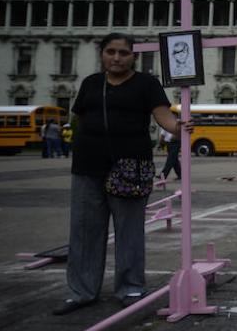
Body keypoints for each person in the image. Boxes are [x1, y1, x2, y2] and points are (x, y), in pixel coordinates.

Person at [53, 33, 189, 315]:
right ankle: (82, 291)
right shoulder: (91, 83)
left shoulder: (146, 83)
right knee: (84, 231)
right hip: (87, 166)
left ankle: (130, 287)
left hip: (130, 167)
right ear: (102, 53)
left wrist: (179, 128)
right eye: (111, 52)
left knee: (129, 230)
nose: (116, 58)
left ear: (133, 57)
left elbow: (162, 115)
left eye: (123, 53)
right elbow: (78, 118)